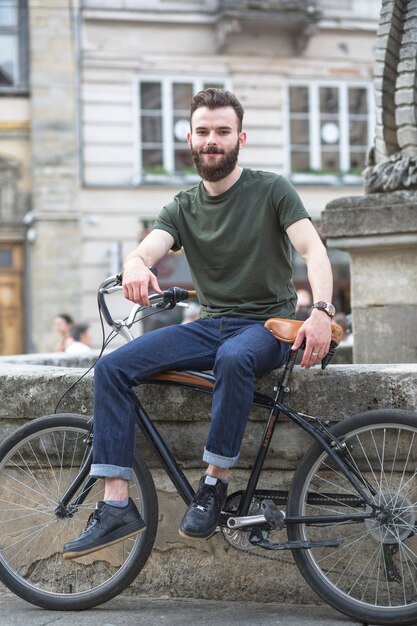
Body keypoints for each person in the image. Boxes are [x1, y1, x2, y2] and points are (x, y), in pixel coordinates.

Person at [63, 88, 334, 559]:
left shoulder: (272, 190)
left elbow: (313, 251)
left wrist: (322, 313)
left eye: (222, 132)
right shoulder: (183, 206)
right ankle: (116, 506)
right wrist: (134, 265)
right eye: (204, 131)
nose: (213, 140)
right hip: (210, 325)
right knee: (111, 369)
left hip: (266, 327)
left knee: (233, 358)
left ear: (240, 138)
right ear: (190, 138)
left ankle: (212, 486)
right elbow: (148, 248)